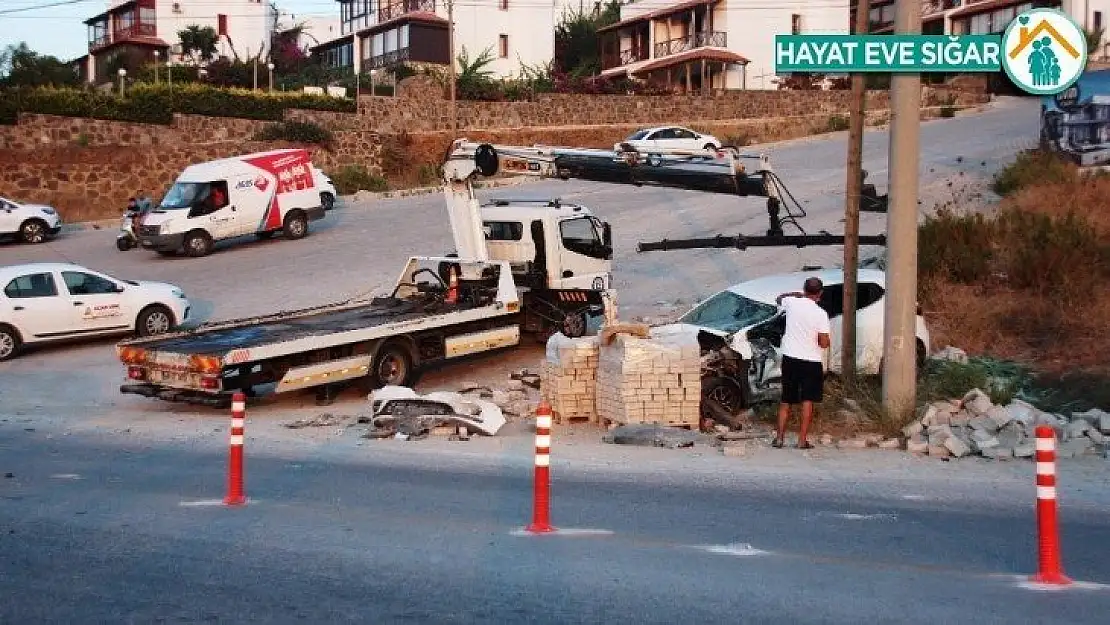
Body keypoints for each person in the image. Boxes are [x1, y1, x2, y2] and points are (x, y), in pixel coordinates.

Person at [772, 277, 831, 449]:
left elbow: (778, 298)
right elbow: (824, 343)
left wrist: (795, 294)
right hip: (811, 361)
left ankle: (779, 438)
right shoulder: (821, 314)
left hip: (790, 358)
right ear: (820, 293)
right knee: (807, 401)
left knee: (786, 399)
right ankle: (801, 440)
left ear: (804, 289)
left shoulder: (791, 303)